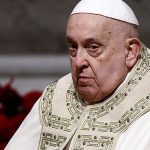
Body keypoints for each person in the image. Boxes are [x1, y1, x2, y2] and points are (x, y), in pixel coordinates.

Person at [5, 0, 150, 149]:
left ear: (130, 52)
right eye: (73, 47)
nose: (78, 62)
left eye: (93, 47)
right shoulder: (56, 96)